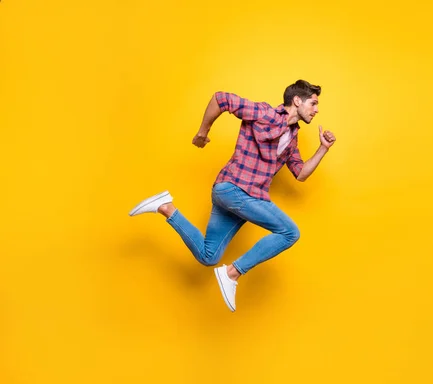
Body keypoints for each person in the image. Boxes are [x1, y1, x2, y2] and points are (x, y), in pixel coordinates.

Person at [128, 79, 336, 312]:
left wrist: (323, 148)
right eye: (314, 103)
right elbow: (221, 99)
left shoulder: (291, 138)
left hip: (235, 196)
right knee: (289, 232)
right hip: (235, 189)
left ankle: (166, 207)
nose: (316, 109)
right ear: (297, 101)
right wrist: (202, 133)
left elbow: (300, 173)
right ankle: (232, 273)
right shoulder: (265, 113)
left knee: (209, 256)